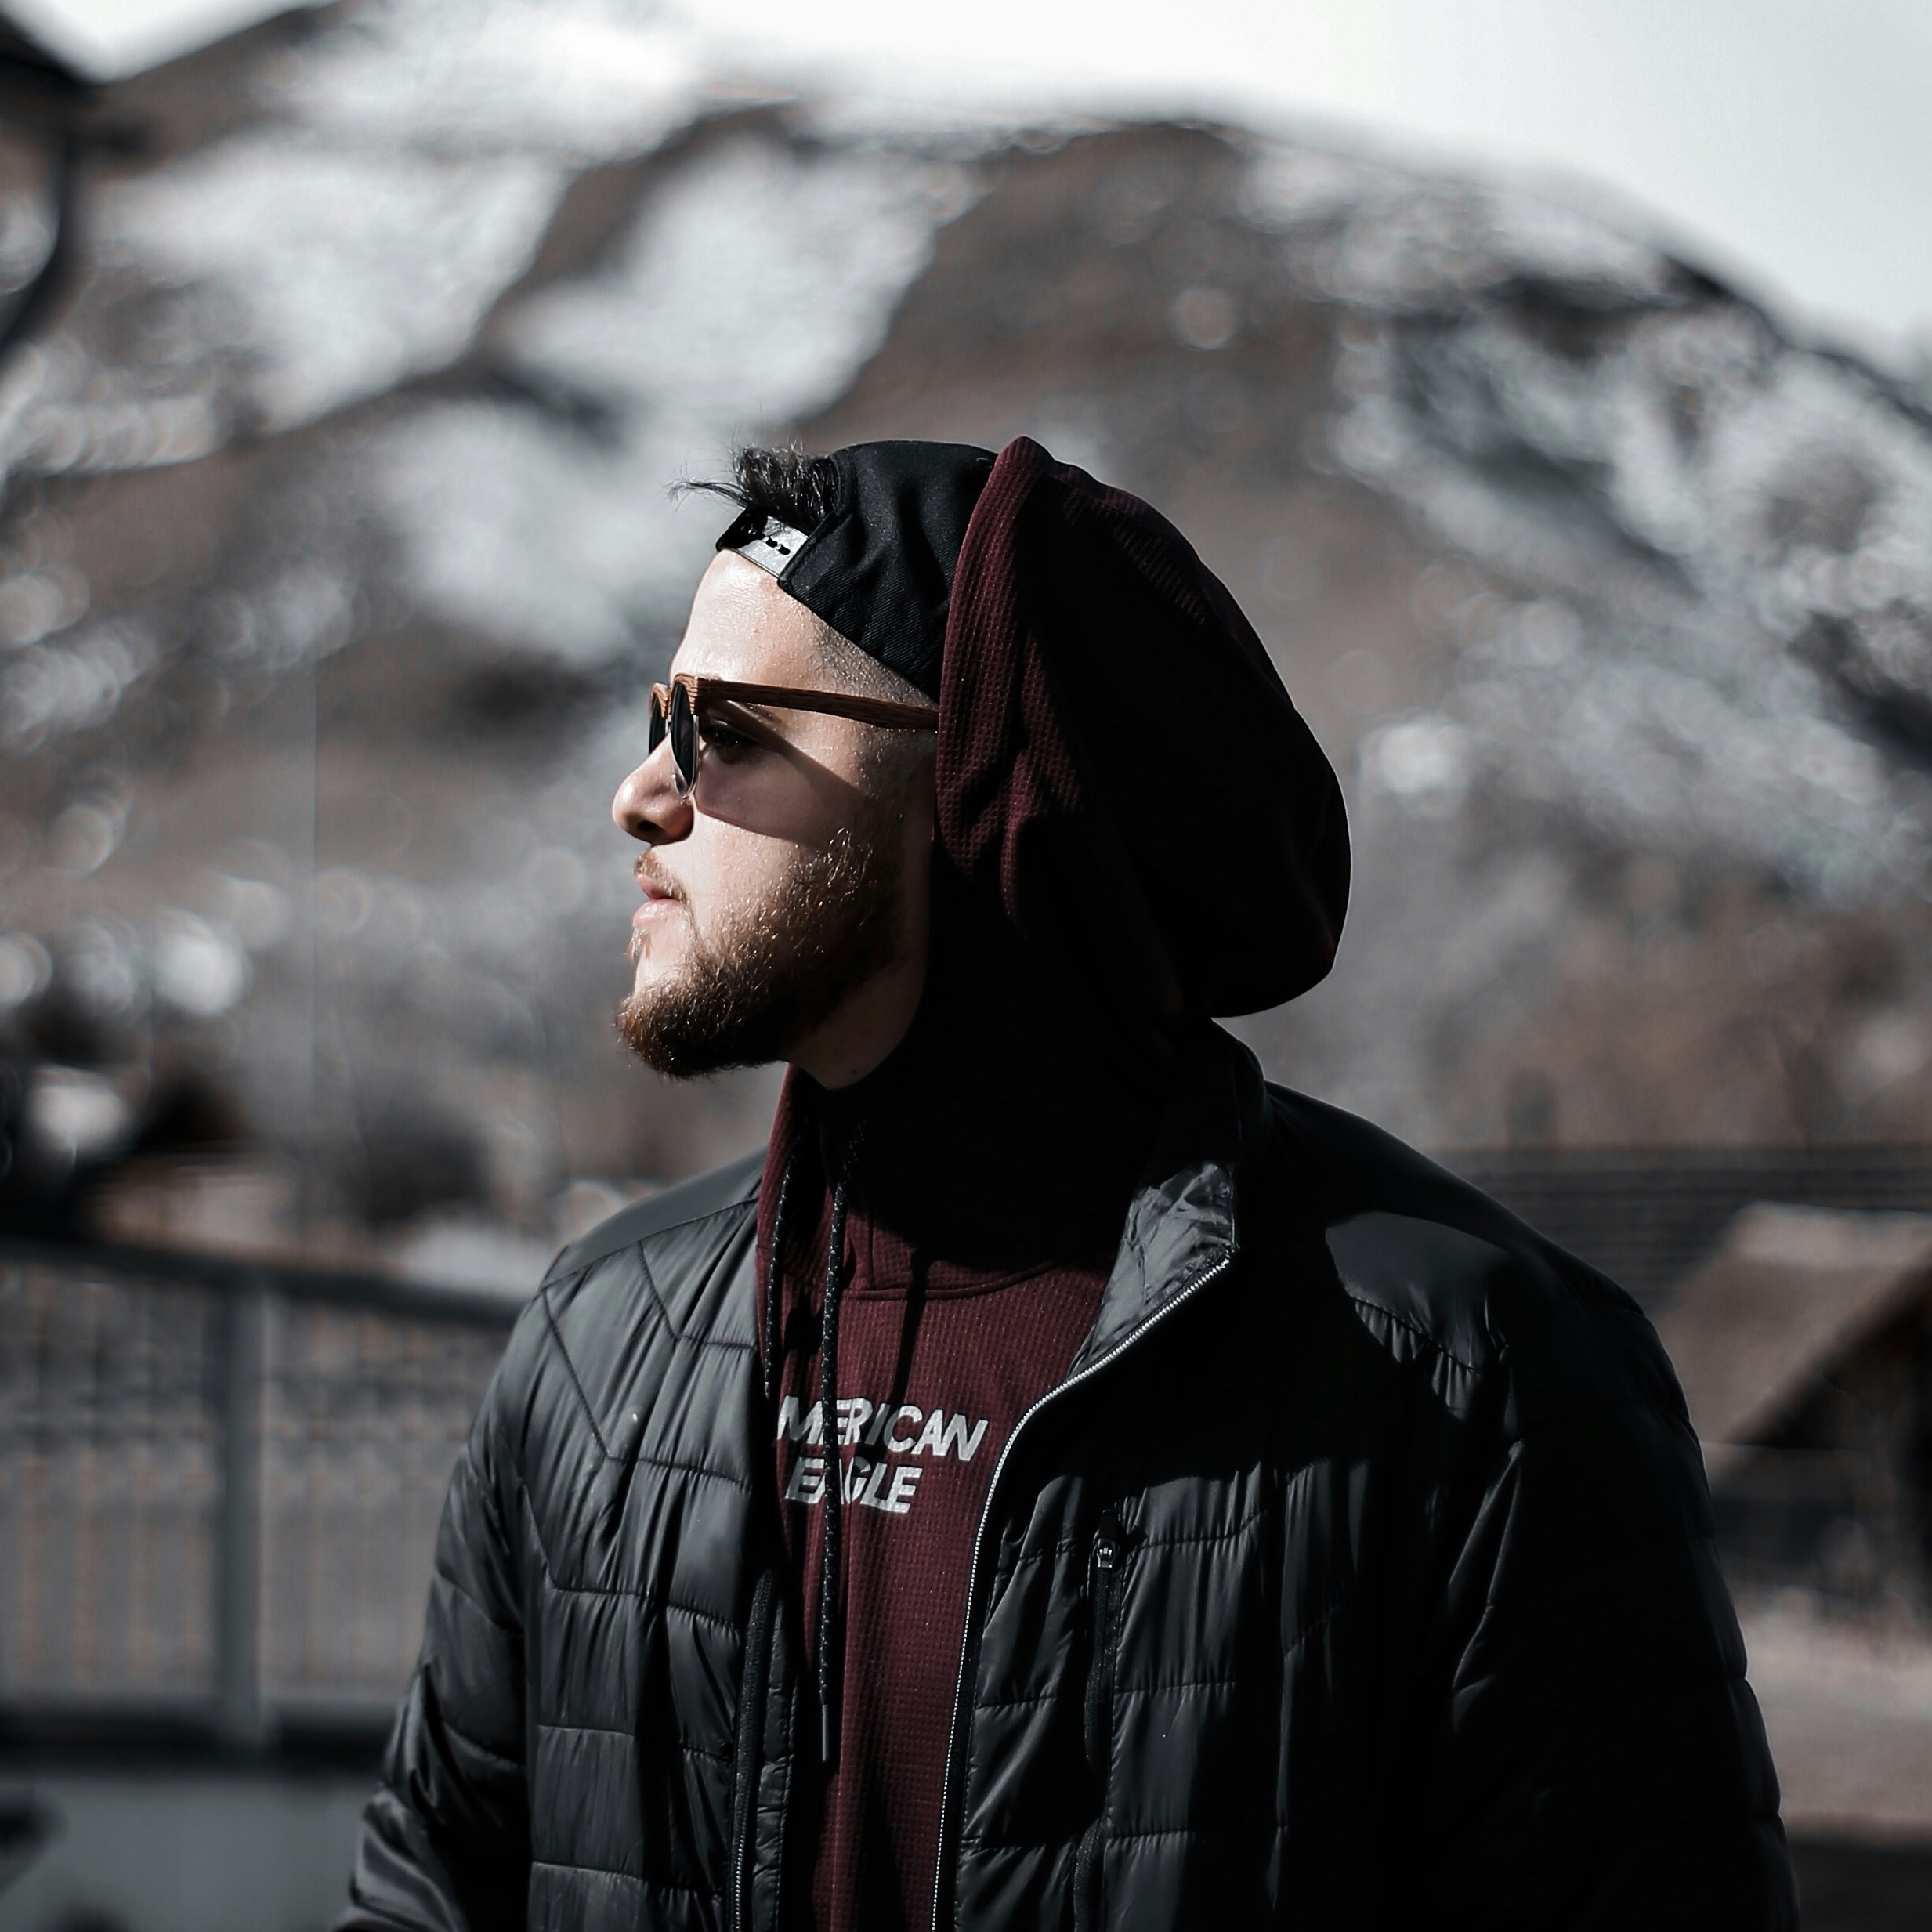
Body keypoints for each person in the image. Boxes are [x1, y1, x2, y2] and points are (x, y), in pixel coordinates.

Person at [338, 437, 1796, 1932]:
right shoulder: (599, 1354)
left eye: (722, 730)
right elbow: (427, 1893)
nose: (641, 796)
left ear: (970, 792)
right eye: (659, 719)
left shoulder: (1466, 1384)